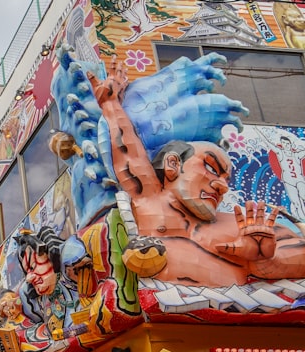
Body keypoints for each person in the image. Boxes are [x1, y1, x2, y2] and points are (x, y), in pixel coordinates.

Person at [93, 56, 305, 285]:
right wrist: (111, 104)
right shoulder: (148, 197)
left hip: (241, 312)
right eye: (211, 168)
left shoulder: (241, 225)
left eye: (226, 179)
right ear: (173, 165)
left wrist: (265, 259)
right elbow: (127, 148)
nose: (222, 186)